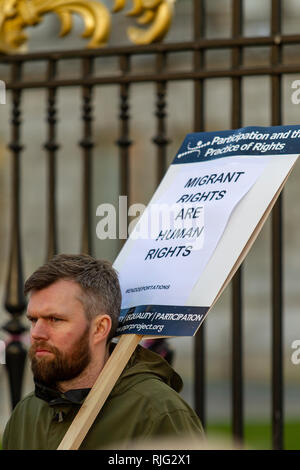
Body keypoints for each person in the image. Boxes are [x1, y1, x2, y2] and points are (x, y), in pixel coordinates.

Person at [2, 253, 205, 450]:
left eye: (55, 319)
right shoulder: (26, 414)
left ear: (99, 328)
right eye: (33, 320)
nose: (37, 333)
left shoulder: (158, 413)